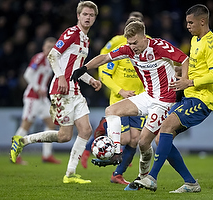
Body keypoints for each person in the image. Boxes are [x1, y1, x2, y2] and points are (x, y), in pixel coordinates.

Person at [71, 20, 189, 187]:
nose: (132, 46)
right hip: (147, 96)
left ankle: (142, 176)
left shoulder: (159, 46)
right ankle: (116, 151)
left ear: (143, 38)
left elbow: (184, 59)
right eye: (129, 43)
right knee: (111, 110)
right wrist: (83, 69)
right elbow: (104, 58)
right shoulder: (128, 50)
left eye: (135, 43)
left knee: (143, 142)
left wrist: (184, 80)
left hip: (163, 101)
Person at [10, 1, 102, 184]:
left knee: (86, 130)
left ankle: (70, 174)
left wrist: (90, 80)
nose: (88, 17)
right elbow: (53, 54)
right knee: (64, 136)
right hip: (61, 91)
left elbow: (76, 69)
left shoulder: (85, 39)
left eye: (91, 15)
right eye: (85, 14)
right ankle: (22, 141)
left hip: (75, 90)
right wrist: (60, 76)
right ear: (78, 16)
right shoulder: (72, 33)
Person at [134, 4, 213, 193]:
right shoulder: (195, 40)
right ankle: (191, 183)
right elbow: (197, 68)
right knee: (161, 137)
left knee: (165, 127)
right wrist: (178, 72)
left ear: (202, 21)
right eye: (187, 22)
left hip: (202, 100)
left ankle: (151, 178)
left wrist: (189, 82)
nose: (188, 26)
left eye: (191, 22)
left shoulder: (212, 43)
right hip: (189, 98)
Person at [81, 14, 148, 186]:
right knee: (124, 139)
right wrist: (121, 91)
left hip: (140, 102)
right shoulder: (119, 46)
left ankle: (117, 175)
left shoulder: (146, 46)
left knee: (136, 140)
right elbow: (105, 68)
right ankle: (105, 124)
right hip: (119, 101)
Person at [13, 37, 60, 165]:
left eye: (52, 47)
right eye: (48, 46)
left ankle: (46, 155)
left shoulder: (52, 61)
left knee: (51, 124)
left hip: (42, 99)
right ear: (43, 48)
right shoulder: (39, 58)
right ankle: (15, 154)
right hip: (32, 97)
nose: (50, 49)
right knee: (25, 125)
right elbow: (28, 74)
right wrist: (38, 88)